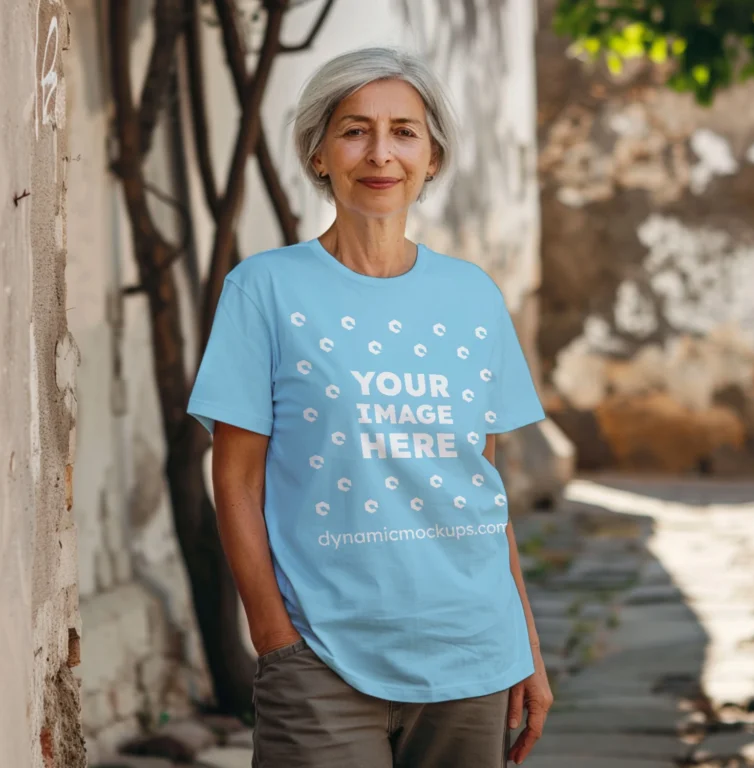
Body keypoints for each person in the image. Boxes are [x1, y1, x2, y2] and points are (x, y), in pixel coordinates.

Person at [188, 46, 553, 768]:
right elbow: (234, 478)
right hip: (321, 657)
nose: (380, 153)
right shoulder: (263, 290)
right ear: (319, 153)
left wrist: (527, 648)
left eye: (404, 132)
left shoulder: (472, 295)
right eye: (355, 130)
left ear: (432, 157)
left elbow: (478, 486)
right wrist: (275, 638)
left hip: (472, 652)